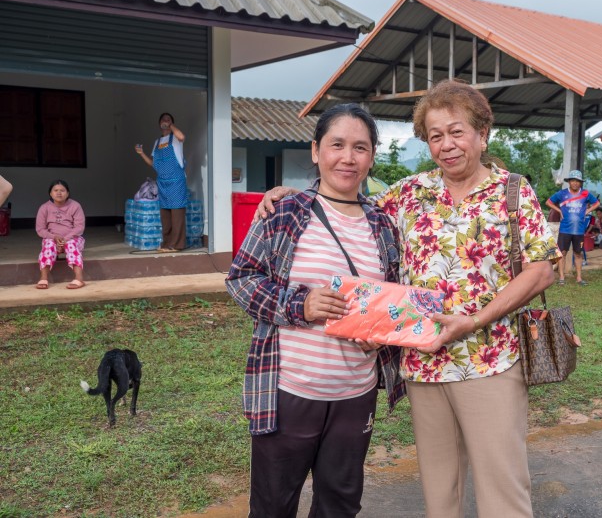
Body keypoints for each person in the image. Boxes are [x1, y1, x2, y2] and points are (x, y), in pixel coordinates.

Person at [257, 79, 561, 518]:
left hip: (488, 360)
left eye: (457, 132)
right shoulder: (409, 192)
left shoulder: (512, 192)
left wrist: (473, 321)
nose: (447, 145)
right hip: (422, 363)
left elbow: (542, 269)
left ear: (482, 133)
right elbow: (345, 201)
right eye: (435, 136)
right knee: (439, 489)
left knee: (503, 488)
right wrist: (290, 194)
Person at [225, 103, 406, 518]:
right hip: (290, 390)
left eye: (360, 147)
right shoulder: (284, 213)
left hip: (355, 393)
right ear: (315, 151)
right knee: (273, 504)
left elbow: (392, 301)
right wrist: (299, 305)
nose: (348, 157)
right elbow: (241, 280)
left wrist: (380, 333)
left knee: (340, 503)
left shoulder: (383, 224)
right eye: (336, 144)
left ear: (372, 156)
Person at [134, 112, 188, 252]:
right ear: (159, 124)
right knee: (165, 215)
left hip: (176, 181)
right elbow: (153, 163)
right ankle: (166, 244)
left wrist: (171, 126)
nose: (166, 121)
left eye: (169, 119)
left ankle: (176, 245)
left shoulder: (176, 138)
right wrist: (141, 154)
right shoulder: (157, 143)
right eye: (163, 120)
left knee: (177, 214)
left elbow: (182, 136)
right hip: (162, 182)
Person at [546, 170, 599, 286]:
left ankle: (579, 278)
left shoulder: (585, 194)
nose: (575, 183)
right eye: (573, 181)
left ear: (580, 183)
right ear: (569, 182)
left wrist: (587, 211)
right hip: (564, 229)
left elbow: (596, 203)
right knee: (563, 253)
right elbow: (548, 202)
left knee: (578, 253)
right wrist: (559, 210)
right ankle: (561, 278)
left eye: (578, 181)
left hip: (579, 230)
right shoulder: (562, 193)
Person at [35, 179, 86, 289]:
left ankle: (79, 279)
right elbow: (40, 230)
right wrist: (54, 237)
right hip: (53, 239)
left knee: (71, 244)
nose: (59, 193)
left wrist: (65, 239)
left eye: (62, 190)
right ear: (50, 193)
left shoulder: (75, 206)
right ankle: (43, 278)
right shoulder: (44, 208)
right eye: (55, 190)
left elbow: (79, 227)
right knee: (48, 244)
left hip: (73, 238)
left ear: (67, 193)